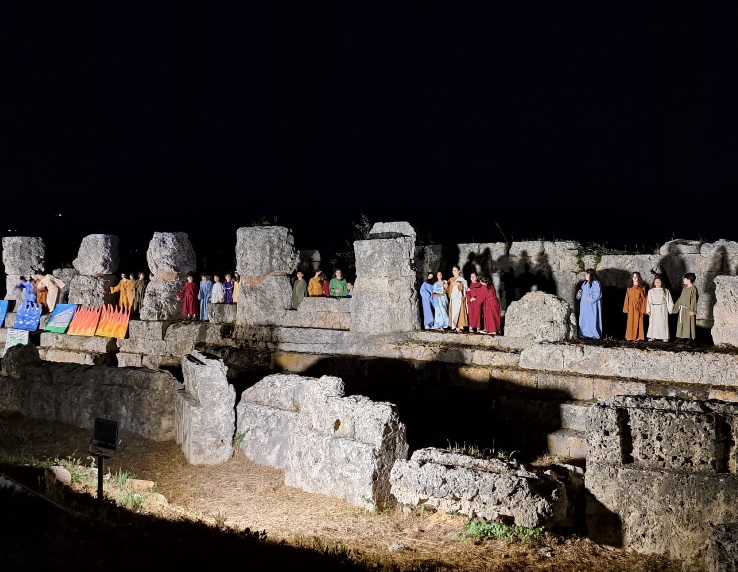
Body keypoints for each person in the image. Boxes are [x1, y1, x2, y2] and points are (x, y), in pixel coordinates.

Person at [671, 272, 698, 344]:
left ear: (689, 280)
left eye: (685, 279)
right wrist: (675, 307)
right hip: (682, 309)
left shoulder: (693, 289)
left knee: (688, 323)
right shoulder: (684, 289)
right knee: (681, 323)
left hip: (688, 309)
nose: (683, 280)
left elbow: (694, 300)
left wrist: (693, 310)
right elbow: (681, 299)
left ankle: (690, 337)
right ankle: (680, 337)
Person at [576, 268, 603, 340]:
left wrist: (590, 299)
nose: (586, 275)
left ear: (591, 275)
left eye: (587, 274)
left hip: (592, 306)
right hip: (584, 306)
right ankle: (584, 333)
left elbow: (597, 294)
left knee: (592, 319)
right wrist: (579, 293)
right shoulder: (584, 283)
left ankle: (594, 334)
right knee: (584, 319)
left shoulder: (596, 283)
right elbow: (580, 295)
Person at [646, 275, 674, 342]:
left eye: (659, 282)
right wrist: (648, 310)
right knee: (653, 322)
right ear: (654, 283)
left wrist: (671, 309)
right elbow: (648, 301)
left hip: (662, 308)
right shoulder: (651, 291)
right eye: (656, 282)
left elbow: (669, 300)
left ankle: (664, 337)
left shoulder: (666, 290)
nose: (658, 283)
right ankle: (652, 336)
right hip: (654, 308)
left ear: (661, 283)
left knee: (663, 322)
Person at [623, 271, 648, 341]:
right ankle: (630, 336)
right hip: (631, 306)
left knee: (639, 321)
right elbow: (627, 297)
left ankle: (638, 336)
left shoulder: (642, 287)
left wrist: (644, 308)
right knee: (630, 321)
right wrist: (626, 308)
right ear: (632, 278)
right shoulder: (629, 287)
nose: (635, 278)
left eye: (636, 277)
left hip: (639, 306)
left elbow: (644, 298)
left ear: (639, 278)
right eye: (633, 277)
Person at [445, 265, 468, 333]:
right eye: (453, 270)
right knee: (453, 313)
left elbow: (465, 286)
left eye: (455, 270)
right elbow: (448, 290)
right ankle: (455, 327)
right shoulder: (450, 279)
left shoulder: (462, 279)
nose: (453, 272)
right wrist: (446, 287)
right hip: (453, 299)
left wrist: (459, 284)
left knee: (460, 313)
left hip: (459, 299)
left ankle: (461, 327)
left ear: (459, 271)